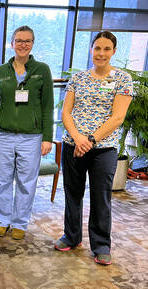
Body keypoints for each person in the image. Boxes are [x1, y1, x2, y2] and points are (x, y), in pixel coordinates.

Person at [55, 31, 132, 266]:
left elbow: (118, 117)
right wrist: (78, 138)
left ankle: (101, 245)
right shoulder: (78, 78)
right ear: (91, 49)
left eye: (106, 49)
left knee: (101, 197)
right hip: (73, 145)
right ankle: (72, 236)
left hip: (103, 148)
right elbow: (66, 113)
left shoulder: (122, 79)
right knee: (72, 194)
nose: (101, 53)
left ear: (114, 52)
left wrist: (90, 140)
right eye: (97, 48)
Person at [0, 25, 54, 240]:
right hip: (3, 135)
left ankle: (19, 222)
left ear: (32, 44)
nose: (23, 44)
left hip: (32, 136)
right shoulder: (1, 72)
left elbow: (48, 106)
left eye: (27, 41)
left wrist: (47, 137)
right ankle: (1, 220)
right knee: (2, 180)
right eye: (19, 40)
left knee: (27, 182)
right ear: (12, 43)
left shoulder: (42, 70)